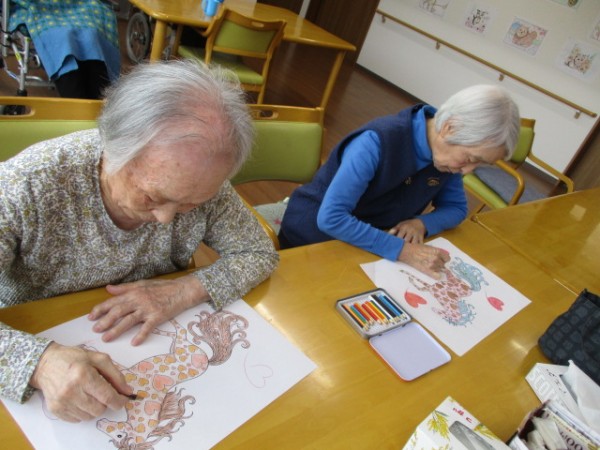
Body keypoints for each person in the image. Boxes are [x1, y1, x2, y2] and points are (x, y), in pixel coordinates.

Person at [0, 60, 279, 422]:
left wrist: (185, 290)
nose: (166, 219)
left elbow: (257, 251)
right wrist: (38, 363)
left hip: (143, 343)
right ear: (112, 148)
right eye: (152, 197)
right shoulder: (24, 186)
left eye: (191, 204)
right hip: (32, 333)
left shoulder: (199, 180)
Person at [279, 84, 520, 279]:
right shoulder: (376, 141)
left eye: (479, 164)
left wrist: (422, 223)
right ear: (449, 128)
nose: (467, 171)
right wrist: (404, 250)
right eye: (470, 158)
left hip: (371, 240)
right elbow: (331, 218)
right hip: (313, 238)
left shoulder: (448, 159)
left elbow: (456, 208)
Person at [8, 0, 120, 98]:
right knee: (63, 39)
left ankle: (99, 101)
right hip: (41, 8)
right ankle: (77, 102)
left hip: (81, 6)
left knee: (91, 37)